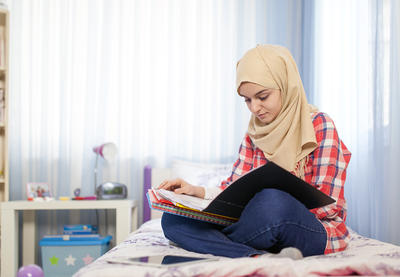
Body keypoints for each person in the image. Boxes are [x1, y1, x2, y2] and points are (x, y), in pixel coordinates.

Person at [159, 44, 351, 259]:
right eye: (247, 100)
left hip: (309, 228)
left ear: (286, 86)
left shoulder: (320, 125)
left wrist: (267, 207)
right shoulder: (254, 134)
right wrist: (197, 191)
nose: (254, 108)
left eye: (262, 96)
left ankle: (227, 244)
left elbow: (330, 207)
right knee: (173, 219)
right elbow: (233, 191)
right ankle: (256, 256)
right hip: (259, 226)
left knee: (272, 201)